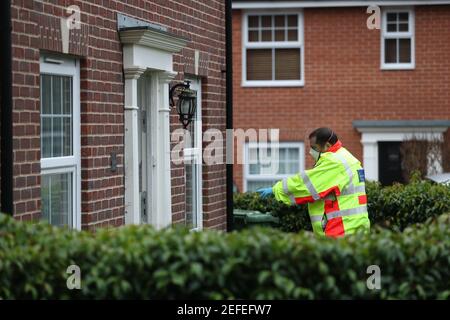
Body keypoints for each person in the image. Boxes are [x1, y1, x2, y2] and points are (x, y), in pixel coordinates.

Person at [257, 127, 370, 237]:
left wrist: (277, 189)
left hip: (342, 231)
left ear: (327, 145)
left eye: (314, 148)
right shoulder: (346, 157)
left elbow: (306, 185)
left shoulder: (334, 162)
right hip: (356, 228)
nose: (311, 152)